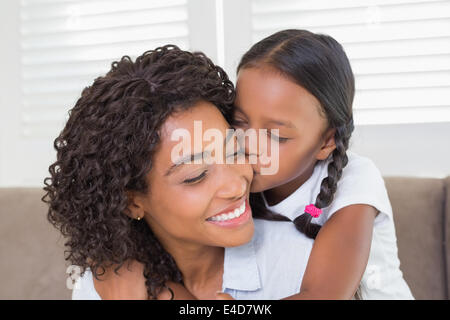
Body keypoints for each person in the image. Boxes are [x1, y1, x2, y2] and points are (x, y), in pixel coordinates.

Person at [43, 45, 314, 300]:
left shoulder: (303, 265)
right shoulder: (105, 283)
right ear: (132, 201)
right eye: (196, 175)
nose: (235, 185)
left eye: (233, 151)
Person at [232, 29, 413, 299]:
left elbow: (324, 295)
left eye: (276, 135)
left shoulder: (356, 177)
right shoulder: (230, 179)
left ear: (326, 142)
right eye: (239, 123)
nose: (249, 145)